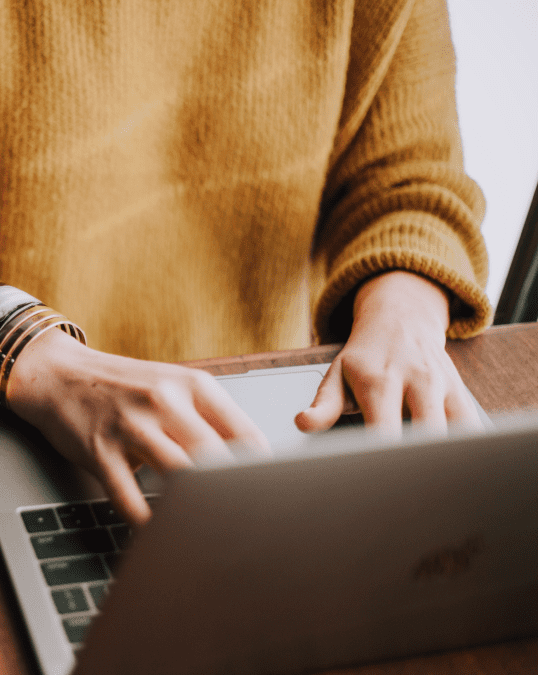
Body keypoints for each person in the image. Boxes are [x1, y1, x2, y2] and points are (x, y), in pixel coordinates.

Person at [0, 0, 492, 527]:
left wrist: (404, 312)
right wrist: (22, 344)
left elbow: (412, 179)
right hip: (24, 426)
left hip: (270, 421)